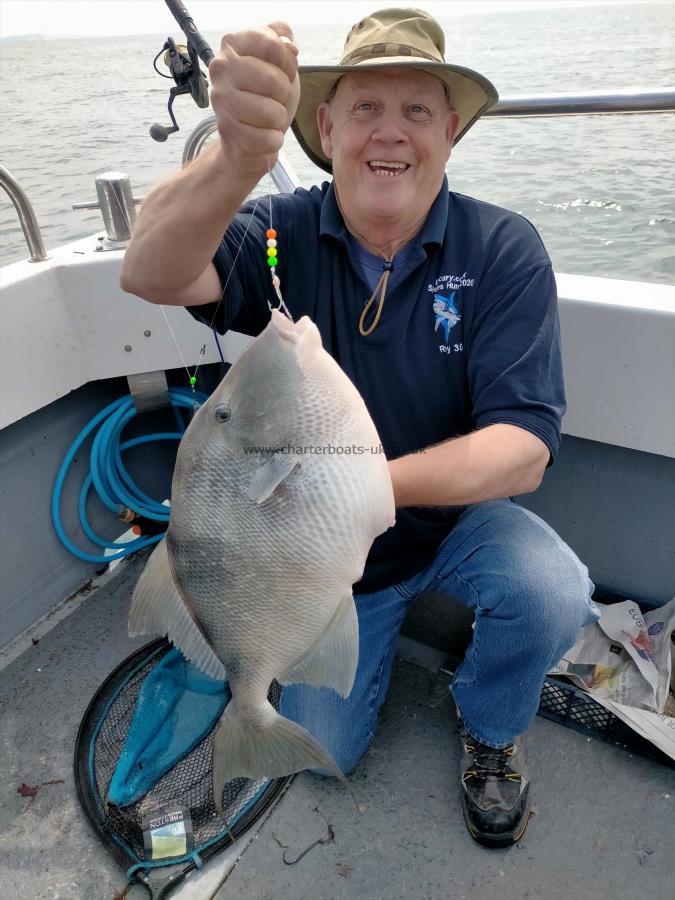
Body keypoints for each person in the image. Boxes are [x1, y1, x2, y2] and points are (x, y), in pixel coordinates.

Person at [121, 8, 599, 847]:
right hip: (319, 576)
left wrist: (358, 492)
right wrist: (234, 160)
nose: (391, 132)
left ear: (450, 132)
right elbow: (151, 269)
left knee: (552, 588)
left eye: (417, 110)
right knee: (321, 750)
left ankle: (489, 726)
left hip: (448, 527)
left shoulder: (501, 248)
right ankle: (266, 695)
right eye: (365, 107)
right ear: (326, 125)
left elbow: (522, 449)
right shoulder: (283, 231)